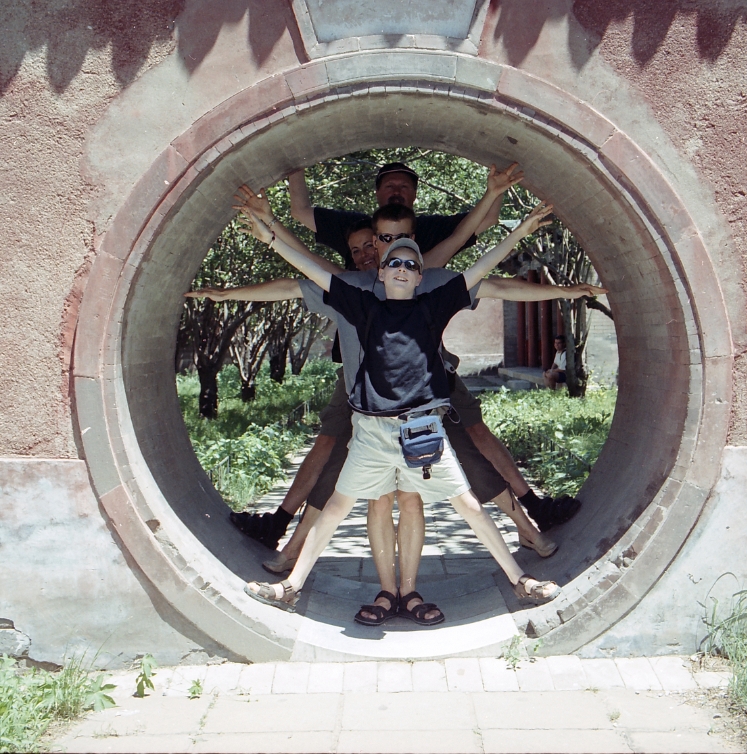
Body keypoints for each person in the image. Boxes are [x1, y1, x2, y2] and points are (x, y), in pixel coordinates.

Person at [190, 181, 604, 624]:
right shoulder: (360, 304)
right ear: (381, 271)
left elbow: (484, 266)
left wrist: (520, 232)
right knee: (336, 508)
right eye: (393, 260)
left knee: (467, 506)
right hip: (370, 431)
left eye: (411, 261)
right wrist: (269, 233)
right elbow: (310, 272)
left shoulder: (435, 303)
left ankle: (521, 580)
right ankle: (291, 586)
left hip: (424, 430)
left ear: (421, 273)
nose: (401, 266)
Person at [287, 161, 506, 270]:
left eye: (404, 186)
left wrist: (498, 185)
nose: (396, 191)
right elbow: (300, 212)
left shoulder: (432, 229)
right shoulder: (355, 227)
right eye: (389, 186)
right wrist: (296, 158)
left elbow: (486, 219)